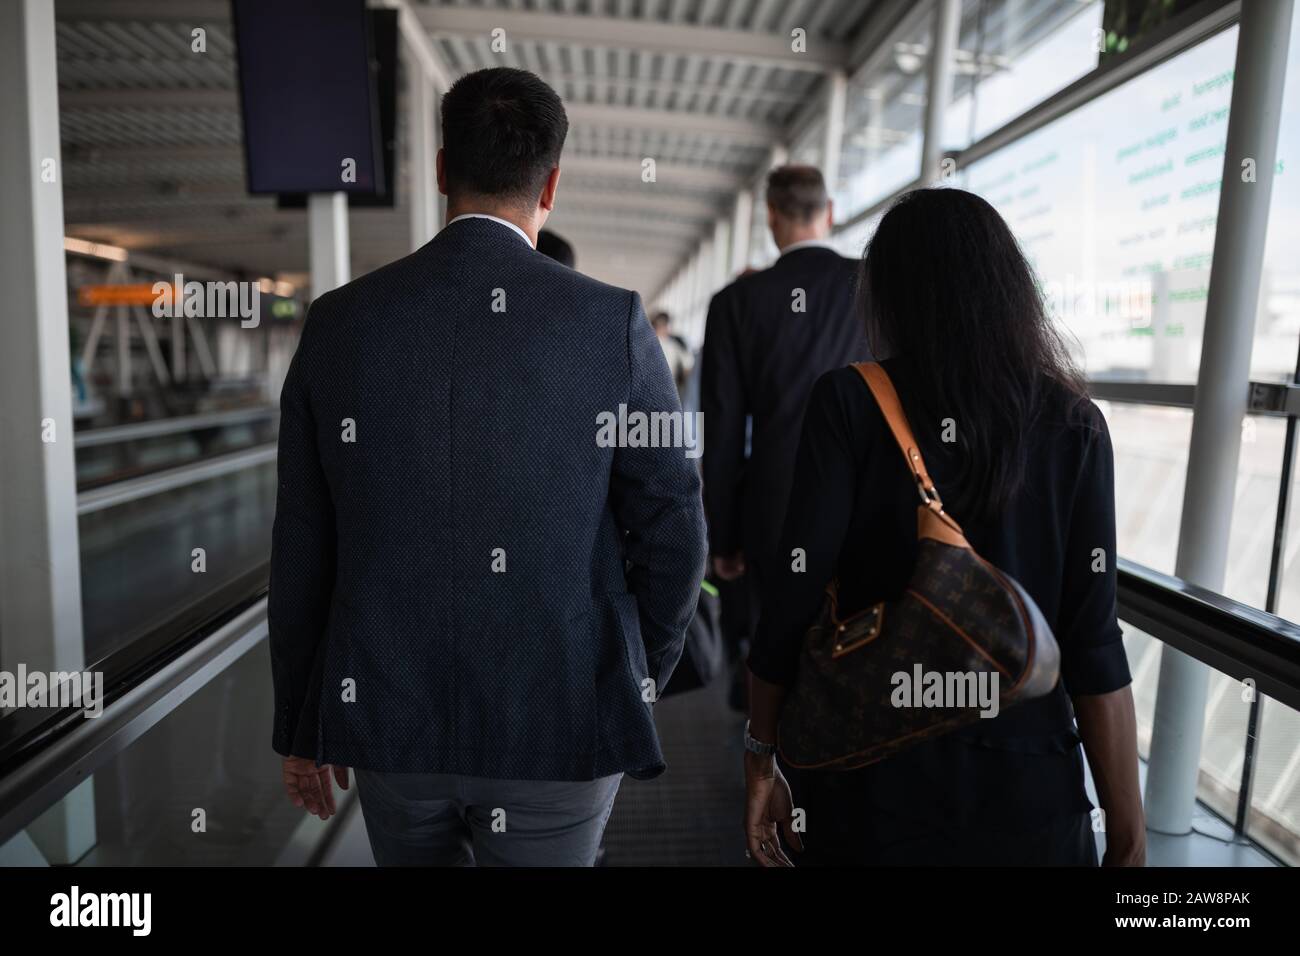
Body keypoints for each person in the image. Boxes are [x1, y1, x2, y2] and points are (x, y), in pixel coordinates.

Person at [268, 66, 706, 867]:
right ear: (552, 185)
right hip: (561, 714)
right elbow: (674, 526)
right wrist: (632, 671)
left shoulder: (338, 325)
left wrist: (302, 722)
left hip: (393, 722)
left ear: (440, 170)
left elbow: (303, 539)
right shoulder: (610, 323)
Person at [742, 188, 1145, 867]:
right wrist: (1129, 838)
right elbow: (1094, 644)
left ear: (893, 294)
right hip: (1031, 793)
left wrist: (761, 756)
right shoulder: (1075, 424)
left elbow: (794, 596)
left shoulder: (850, 401)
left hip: (871, 777)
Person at [701, 164, 870, 709]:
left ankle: (771, 767)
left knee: (776, 649)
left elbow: (723, 429)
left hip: (772, 510)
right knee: (858, 643)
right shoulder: (872, 285)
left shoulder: (735, 302)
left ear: (771, 217)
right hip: (866, 502)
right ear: (830, 213)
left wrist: (723, 538)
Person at [650, 311, 694, 393]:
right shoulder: (673, 344)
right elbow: (688, 366)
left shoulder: (674, 343)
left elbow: (687, 366)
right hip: (667, 388)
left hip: (661, 387)